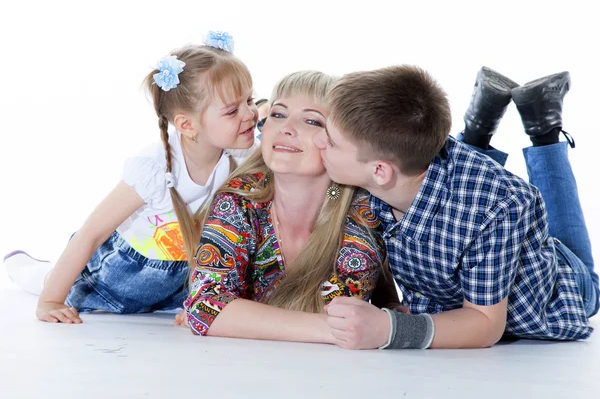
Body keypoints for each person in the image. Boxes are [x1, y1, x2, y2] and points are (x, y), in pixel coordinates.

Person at [314, 65, 599, 349]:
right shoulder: (402, 149)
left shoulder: (498, 207)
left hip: (557, 286)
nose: (317, 142)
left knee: (585, 276)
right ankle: (478, 127)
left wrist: (392, 329)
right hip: (458, 240)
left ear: (380, 171)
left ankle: (544, 131)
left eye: (330, 141)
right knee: (462, 192)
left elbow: (485, 324)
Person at [4, 31, 260, 324]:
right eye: (232, 110)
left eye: (250, 100)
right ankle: (27, 269)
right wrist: (50, 301)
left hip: (176, 284)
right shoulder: (155, 167)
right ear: (187, 125)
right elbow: (92, 234)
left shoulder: (240, 155)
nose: (250, 113)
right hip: (114, 274)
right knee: (48, 280)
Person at [177, 71, 393, 344]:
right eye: (278, 115)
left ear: (341, 141)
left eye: (312, 120)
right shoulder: (240, 200)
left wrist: (235, 317)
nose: (285, 128)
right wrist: (332, 330)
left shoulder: (362, 210)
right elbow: (206, 307)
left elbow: (345, 310)